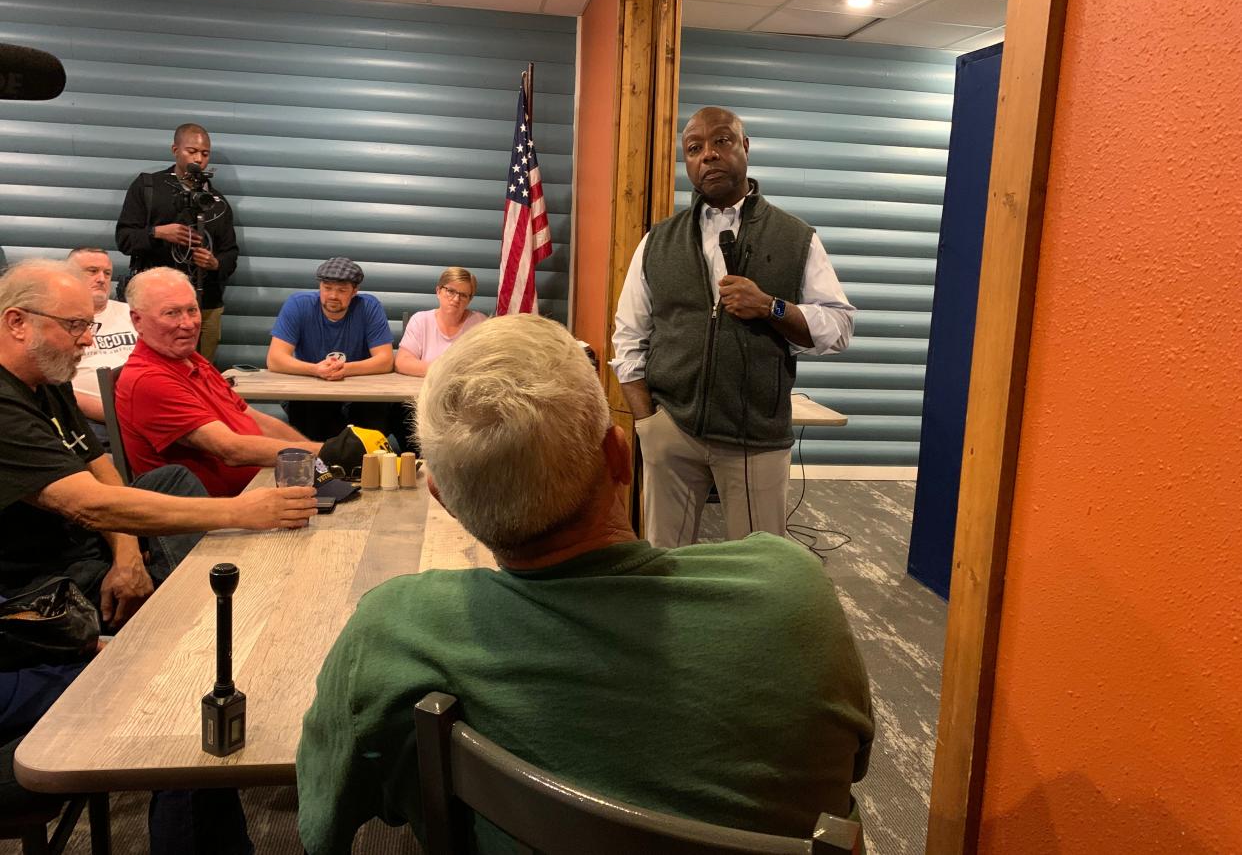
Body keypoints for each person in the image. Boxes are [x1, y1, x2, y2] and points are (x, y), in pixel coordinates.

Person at [296, 315, 874, 854]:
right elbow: (851, 765)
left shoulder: (393, 632)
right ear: (619, 458)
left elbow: (321, 827)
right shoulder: (795, 590)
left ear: (446, 502)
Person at [0, 259, 317, 853]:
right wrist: (241, 514)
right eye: (76, 326)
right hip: (30, 612)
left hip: (85, 567)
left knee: (166, 481)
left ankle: (205, 626)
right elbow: (90, 505)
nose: (90, 339)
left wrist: (127, 556)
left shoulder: (47, 383)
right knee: (189, 688)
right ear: (18, 322)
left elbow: (106, 478)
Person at [611, 106, 856, 549]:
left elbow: (838, 326)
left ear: (744, 147)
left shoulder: (795, 236)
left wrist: (771, 307)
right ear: (686, 162)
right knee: (667, 566)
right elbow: (629, 336)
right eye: (694, 148)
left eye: (721, 141)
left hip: (756, 438)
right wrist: (648, 422)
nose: (708, 155)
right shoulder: (657, 241)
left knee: (760, 568)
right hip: (673, 431)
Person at [116, 268, 321, 497]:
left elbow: (253, 417)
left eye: (192, 310)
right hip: (218, 520)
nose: (188, 324)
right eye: (172, 313)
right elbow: (231, 450)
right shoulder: (148, 380)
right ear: (137, 320)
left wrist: (319, 463)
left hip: (258, 491)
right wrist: (324, 452)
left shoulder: (191, 358)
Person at [115, 122, 238, 362]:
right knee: (151, 369)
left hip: (204, 304)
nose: (198, 158)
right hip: (154, 304)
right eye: (191, 151)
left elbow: (230, 254)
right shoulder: (147, 187)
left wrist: (214, 263)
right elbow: (124, 239)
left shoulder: (217, 203)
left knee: (199, 373)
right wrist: (157, 233)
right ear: (175, 150)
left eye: (204, 153)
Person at [267, 256, 396, 441]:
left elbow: (385, 360)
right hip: (313, 393)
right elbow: (275, 359)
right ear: (319, 287)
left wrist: (345, 369)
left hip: (359, 393)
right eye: (327, 288)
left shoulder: (369, 306)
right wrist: (315, 369)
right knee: (311, 412)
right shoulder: (298, 304)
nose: (333, 296)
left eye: (342, 290)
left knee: (375, 413)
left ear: (354, 291)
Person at [65, 246, 138, 446]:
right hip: (88, 418)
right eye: (92, 271)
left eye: (107, 273)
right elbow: (52, 384)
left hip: (145, 411)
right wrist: (113, 411)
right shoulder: (56, 320)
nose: (101, 279)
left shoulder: (132, 313)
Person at [394, 267, 486, 376]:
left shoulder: (480, 323)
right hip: (426, 389)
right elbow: (402, 362)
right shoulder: (420, 320)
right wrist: (444, 370)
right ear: (438, 291)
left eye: (463, 295)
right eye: (451, 291)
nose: (456, 299)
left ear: (469, 300)